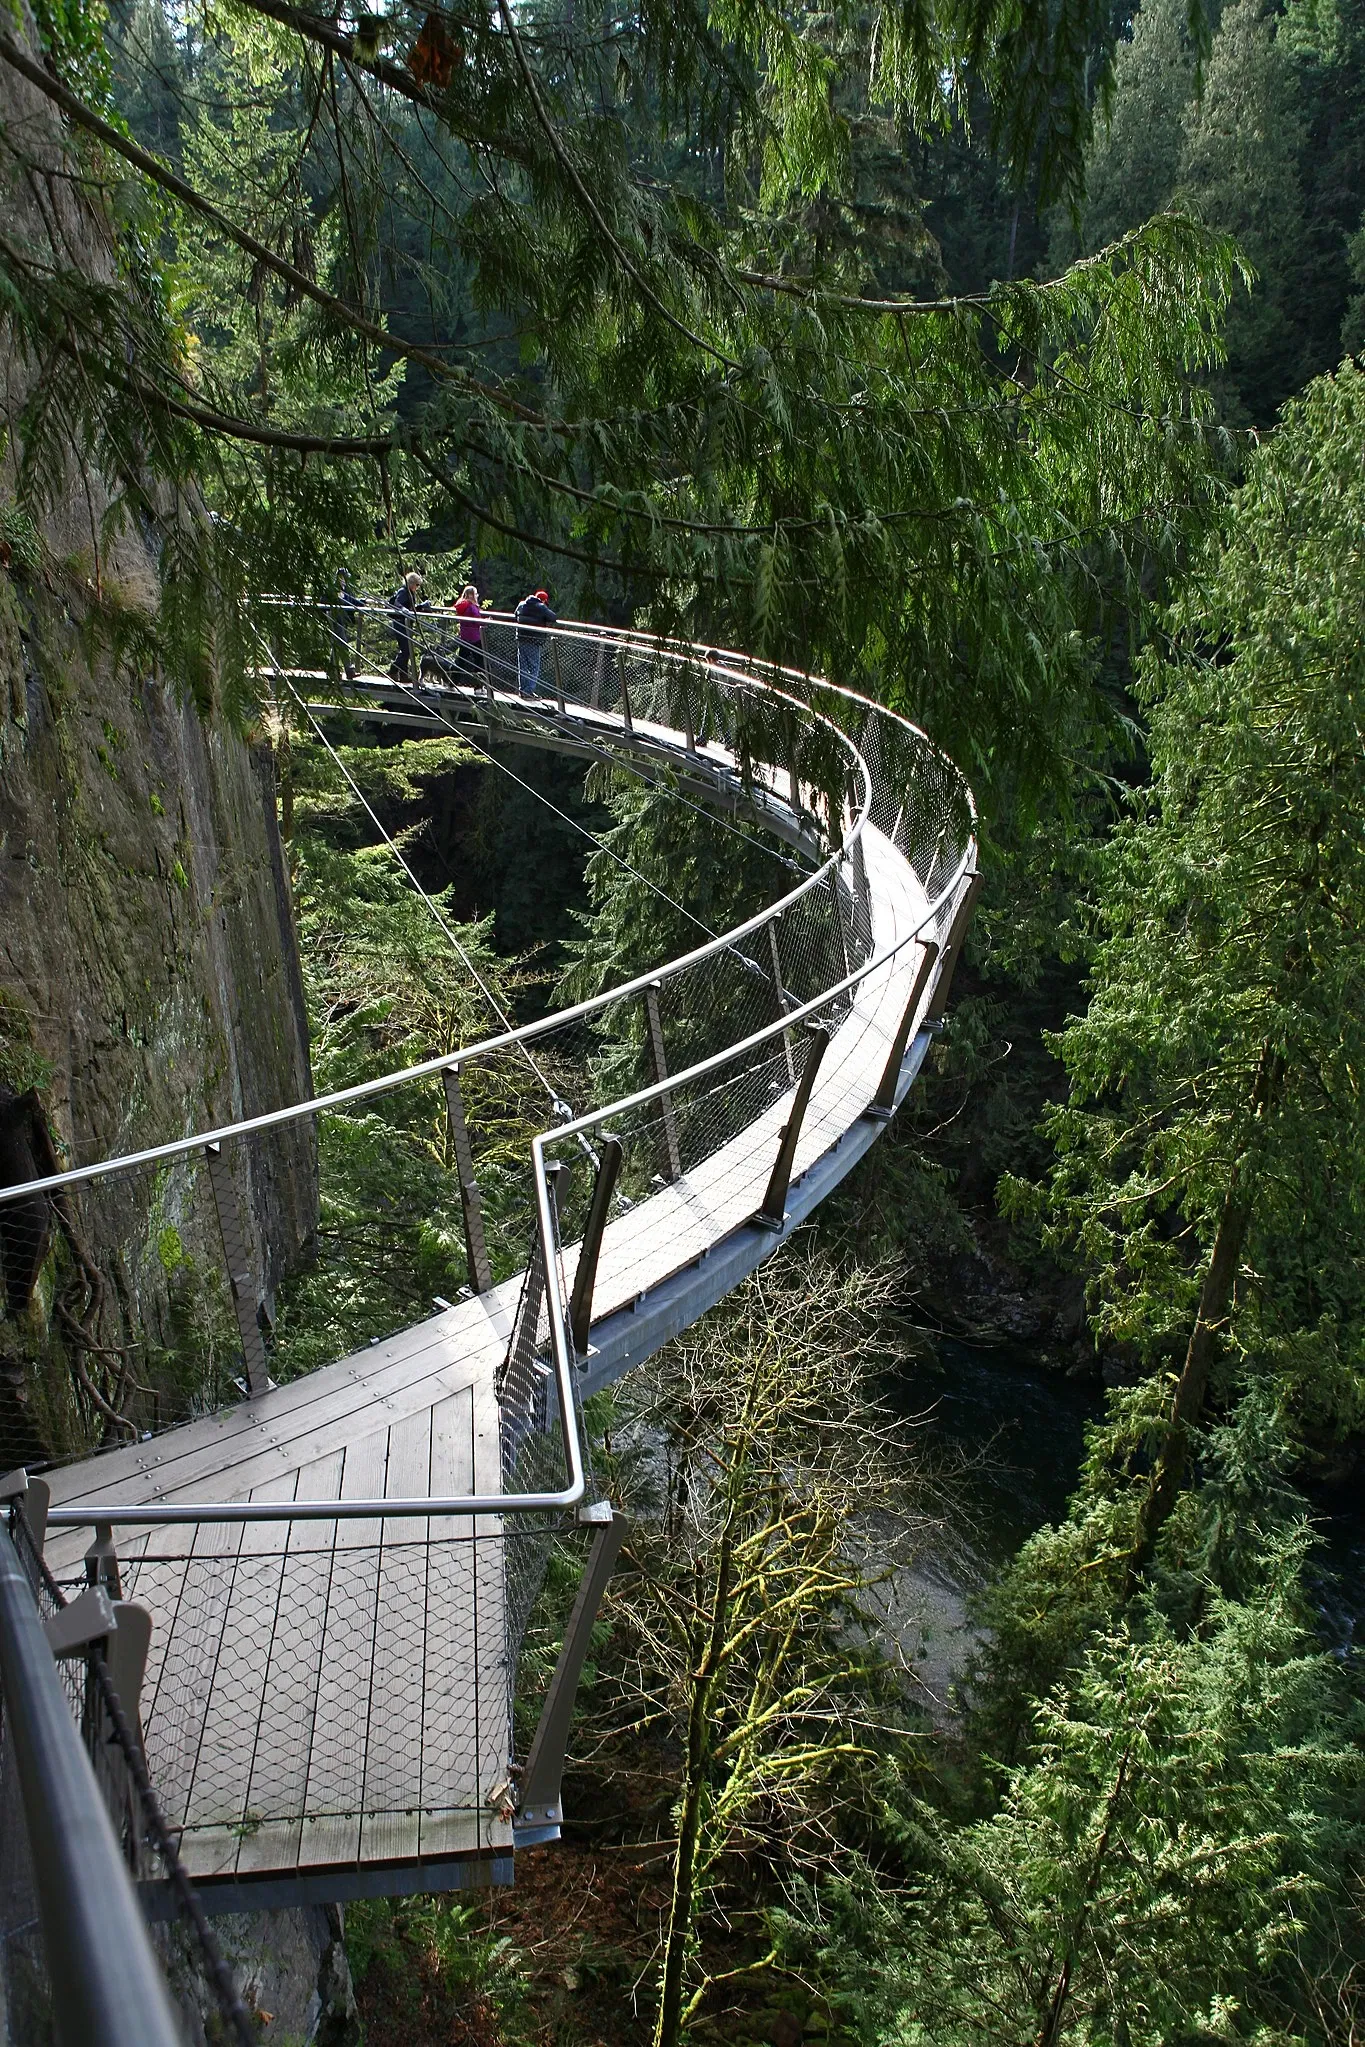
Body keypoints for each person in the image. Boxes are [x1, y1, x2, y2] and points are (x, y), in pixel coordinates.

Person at [514, 586, 557, 699]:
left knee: (522, 666)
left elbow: (516, 615)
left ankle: (522, 691)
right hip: (533, 640)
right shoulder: (541, 607)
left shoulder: (522, 604)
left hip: (521, 638)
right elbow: (553, 617)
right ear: (543, 600)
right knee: (534, 666)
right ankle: (529, 692)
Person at [389, 570, 425, 682]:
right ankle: (393, 671)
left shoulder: (410, 592)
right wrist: (403, 610)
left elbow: (410, 606)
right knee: (406, 650)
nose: (417, 587)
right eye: (417, 585)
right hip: (400, 623)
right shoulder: (403, 591)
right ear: (411, 583)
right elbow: (398, 603)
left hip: (406, 623)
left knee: (406, 649)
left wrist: (420, 607)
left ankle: (403, 675)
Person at [453, 583, 486, 691]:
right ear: (472, 595)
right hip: (475, 638)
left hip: (464, 637)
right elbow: (477, 621)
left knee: (461, 660)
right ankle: (479, 686)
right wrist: (486, 622)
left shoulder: (462, 606)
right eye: (476, 594)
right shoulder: (472, 607)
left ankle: (451, 681)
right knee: (479, 662)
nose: (477, 595)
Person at [333, 568, 364, 679]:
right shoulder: (333, 588)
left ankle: (332, 670)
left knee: (336, 644)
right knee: (342, 643)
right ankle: (349, 670)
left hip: (342, 620)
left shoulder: (345, 589)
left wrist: (363, 602)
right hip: (334, 619)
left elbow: (351, 600)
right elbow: (325, 600)